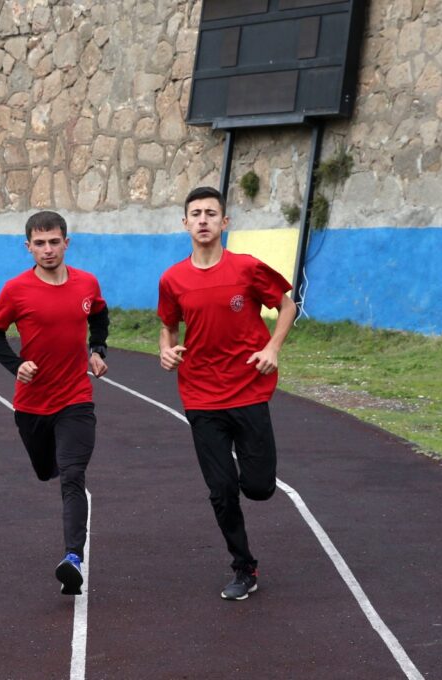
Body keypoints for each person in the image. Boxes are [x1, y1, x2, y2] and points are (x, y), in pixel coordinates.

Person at [157, 186, 297, 601]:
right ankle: (244, 566)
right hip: (201, 396)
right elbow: (167, 324)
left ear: (224, 222)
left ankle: (251, 477)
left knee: (258, 488)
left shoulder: (247, 268)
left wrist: (272, 347)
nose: (203, 220)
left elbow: (287, 306)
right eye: (195, 213)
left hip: (249, 389)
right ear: (185, 223)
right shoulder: (172, 279)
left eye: (211, 213)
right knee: (221, 491)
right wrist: (166, 349)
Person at [0, 210, 109, 596]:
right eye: (39, 243)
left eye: (54, 241)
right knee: (46, 470)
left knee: (73, 476)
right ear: (28, 247)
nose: (48, 249)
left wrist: (97, 349)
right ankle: (51, 465)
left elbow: (100, 316)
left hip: (76, 399)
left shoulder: (87, 283)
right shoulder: (15, 290)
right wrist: (17, 366)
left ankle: (73, 558)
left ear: (66, 243)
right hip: (32, 406)